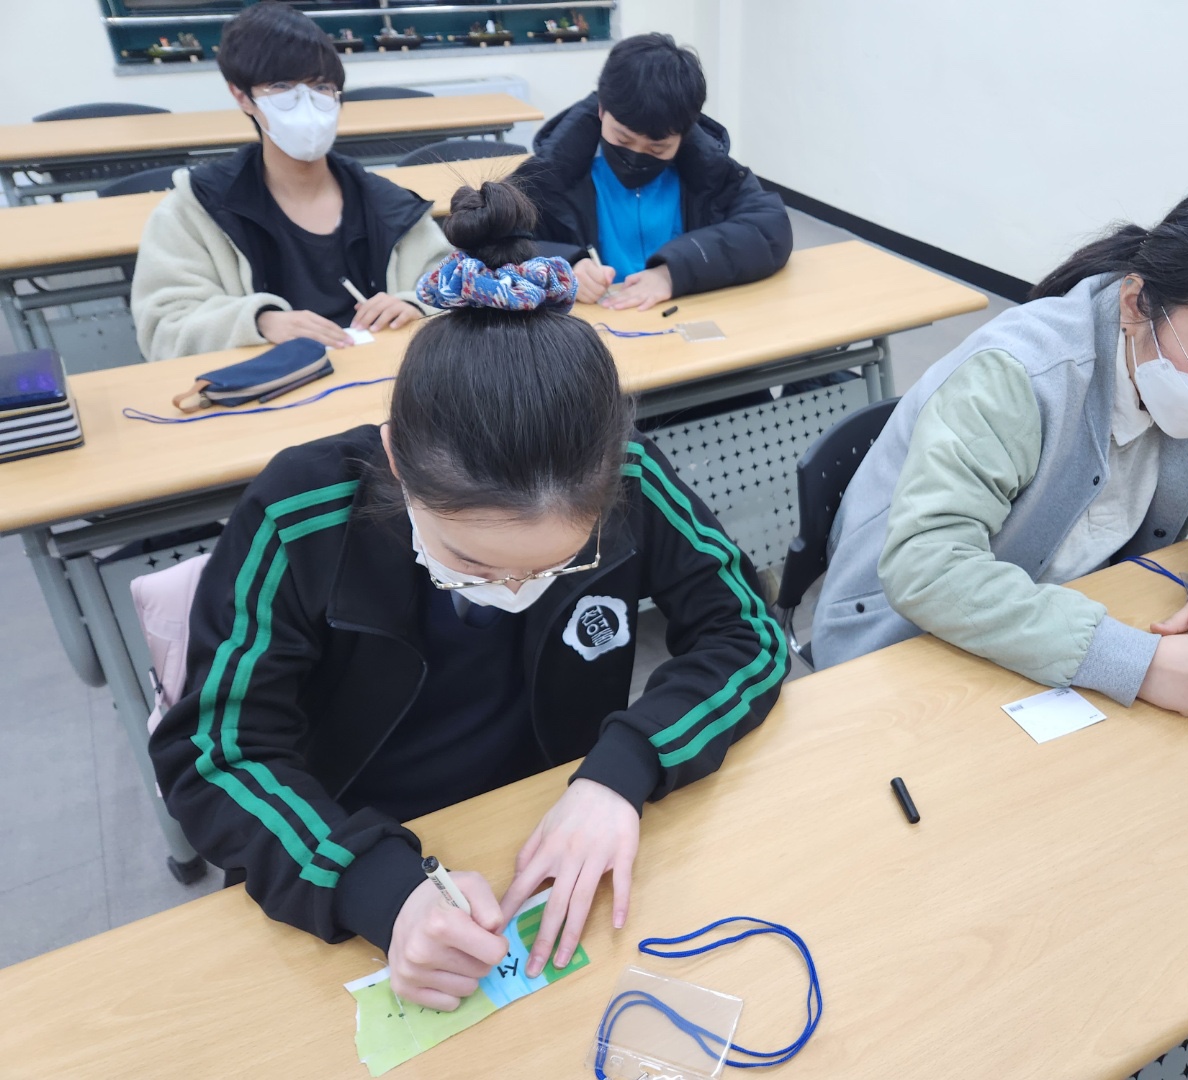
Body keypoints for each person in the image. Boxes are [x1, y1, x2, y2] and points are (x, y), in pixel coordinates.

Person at [149, 179, 788, 1010]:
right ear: (395, 459)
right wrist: (378, 890)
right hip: (351, 839)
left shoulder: (626, 474)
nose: (514, 591)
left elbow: (749, 632)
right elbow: (216, 755)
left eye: (557, 565)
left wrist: (623, 769)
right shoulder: (301, 510)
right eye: (473, 563)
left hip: (553, 806)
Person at [812, 174, 1188, 718]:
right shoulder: (1018, 376)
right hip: (907, 646)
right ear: (1137, 304)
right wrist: (1140, 664)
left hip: (1054, 631)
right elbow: (928, 567)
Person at [131, 1, 451, 361]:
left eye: (321, 86)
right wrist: (258, 322)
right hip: (264, 391)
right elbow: (162, 326)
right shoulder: (198, 208)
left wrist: (415, 306)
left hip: (383, 380)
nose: (306, 102)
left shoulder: (388, 205)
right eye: (280, 86)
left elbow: (457, 289)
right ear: (242, 96)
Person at [512, 32, 793, 313]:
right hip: (591, 326)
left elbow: (769, 228)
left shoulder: (709, 171)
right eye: (622, 139)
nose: (636, 156)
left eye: (658, 149)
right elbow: (495, 238)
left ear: (685, 134)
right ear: (601, 110)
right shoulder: (554, 172)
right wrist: (563, 265)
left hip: (685, 315)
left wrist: (674, 272)